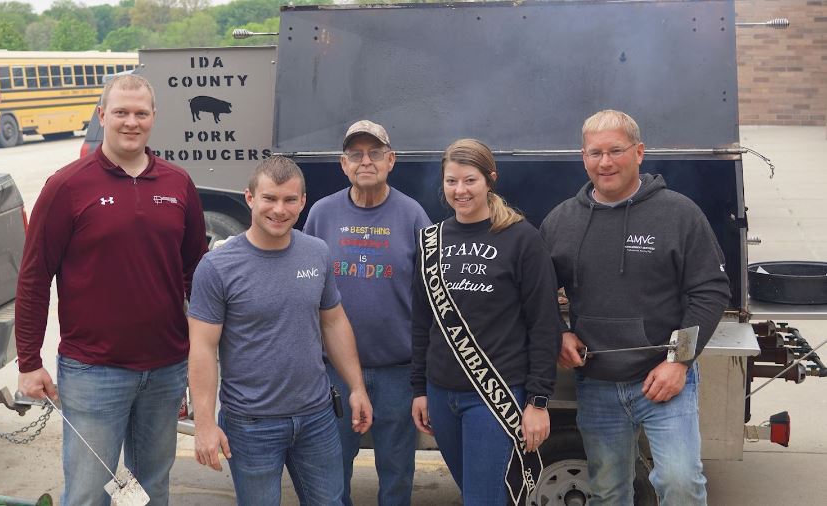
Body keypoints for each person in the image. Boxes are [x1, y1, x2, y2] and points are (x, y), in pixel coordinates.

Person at [15, 74, 208, 506]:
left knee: (151, 490)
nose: (130, 122)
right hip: (93, 371)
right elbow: (33, 277)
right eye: (120, 112)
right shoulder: (67, 186)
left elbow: (197, 271)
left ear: (154, 118)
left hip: (165, 369)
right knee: (88, 494)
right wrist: (29, 361)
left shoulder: (178, 184)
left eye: (141, 113)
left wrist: (205, 350)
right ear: (103, 116)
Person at [539, 109, 731, 505]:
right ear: (583, 157)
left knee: (681, 484)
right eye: (595, 153)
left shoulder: (679, 214)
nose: (605, 162)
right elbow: (536, 292)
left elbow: (710, 291)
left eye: (615, 151)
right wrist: (559, 332)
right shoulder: (562, 220)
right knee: (609, 492)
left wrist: (679, 362)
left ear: (639, 152)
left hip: (663, 381)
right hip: (596, 383)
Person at [187, 156, 374, 506]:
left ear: (303, 202)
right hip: (250, 424)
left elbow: (334, 322)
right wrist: (204, 425)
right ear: (250, 198)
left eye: (290, 200)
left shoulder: (316, 252)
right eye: (269, 198)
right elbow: (202, 349)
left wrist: (357, 387)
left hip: (317, 417)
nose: (279, 209)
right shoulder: (217, 267)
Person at [411, 139, 562, 505]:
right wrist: (419, 388)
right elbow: (420, 321)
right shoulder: (431, 240)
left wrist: (538, 401)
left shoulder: (522, 239)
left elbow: (545, 323)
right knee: (480, 496)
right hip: (441, 393)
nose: (460, 191)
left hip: (494, 395)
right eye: (451, 181)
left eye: (469, 180)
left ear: (490, 179)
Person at [302, 119, 431, 506]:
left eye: (375, 153)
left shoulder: (412, 216)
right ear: (343, 165)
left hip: (398, 371)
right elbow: (304, 284)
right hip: (335, 373)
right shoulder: (322, 214)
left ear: (391, 160)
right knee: (331, 471)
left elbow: (431, 295)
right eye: (356, 155)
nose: (366, 161)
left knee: (396, 474)